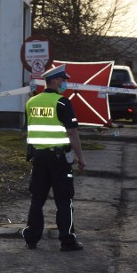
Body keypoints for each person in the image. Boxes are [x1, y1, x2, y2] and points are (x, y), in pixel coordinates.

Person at [22, 64, 86, 251]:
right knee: (64, 199)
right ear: (55, 80)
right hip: (58, 158)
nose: (65, 82)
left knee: (37, 199)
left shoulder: (31, 102)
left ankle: (31, 238)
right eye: (63, 79)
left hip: (38, 157)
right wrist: (80, 157)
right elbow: (72, 132)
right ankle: (67, 241)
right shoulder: (62, 102)